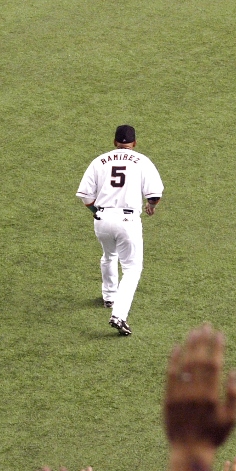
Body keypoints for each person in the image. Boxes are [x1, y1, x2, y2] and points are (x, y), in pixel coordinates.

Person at [76, 125, 164, 336]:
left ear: (115, 142)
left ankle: (109, 296)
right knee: (132, 269)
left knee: (109, 255)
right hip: (128, 220)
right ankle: (119, 315)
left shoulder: (99, 161)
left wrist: (96, 212)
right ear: (134, 143)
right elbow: (155, 193)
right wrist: (151, 206)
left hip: (103, 219)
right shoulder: (142, 161)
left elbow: (85, 195)